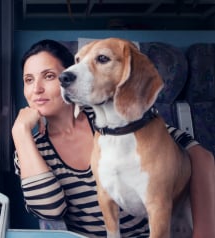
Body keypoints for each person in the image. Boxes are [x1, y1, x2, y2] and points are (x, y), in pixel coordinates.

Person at [11, 39, 215, 237]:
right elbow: (50, 210)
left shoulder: (115, 119)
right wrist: (20, 132)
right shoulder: (30, 149)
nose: (36, 89)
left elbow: (200, 156)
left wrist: (204, 232)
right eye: (28, 80)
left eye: (49, 76)